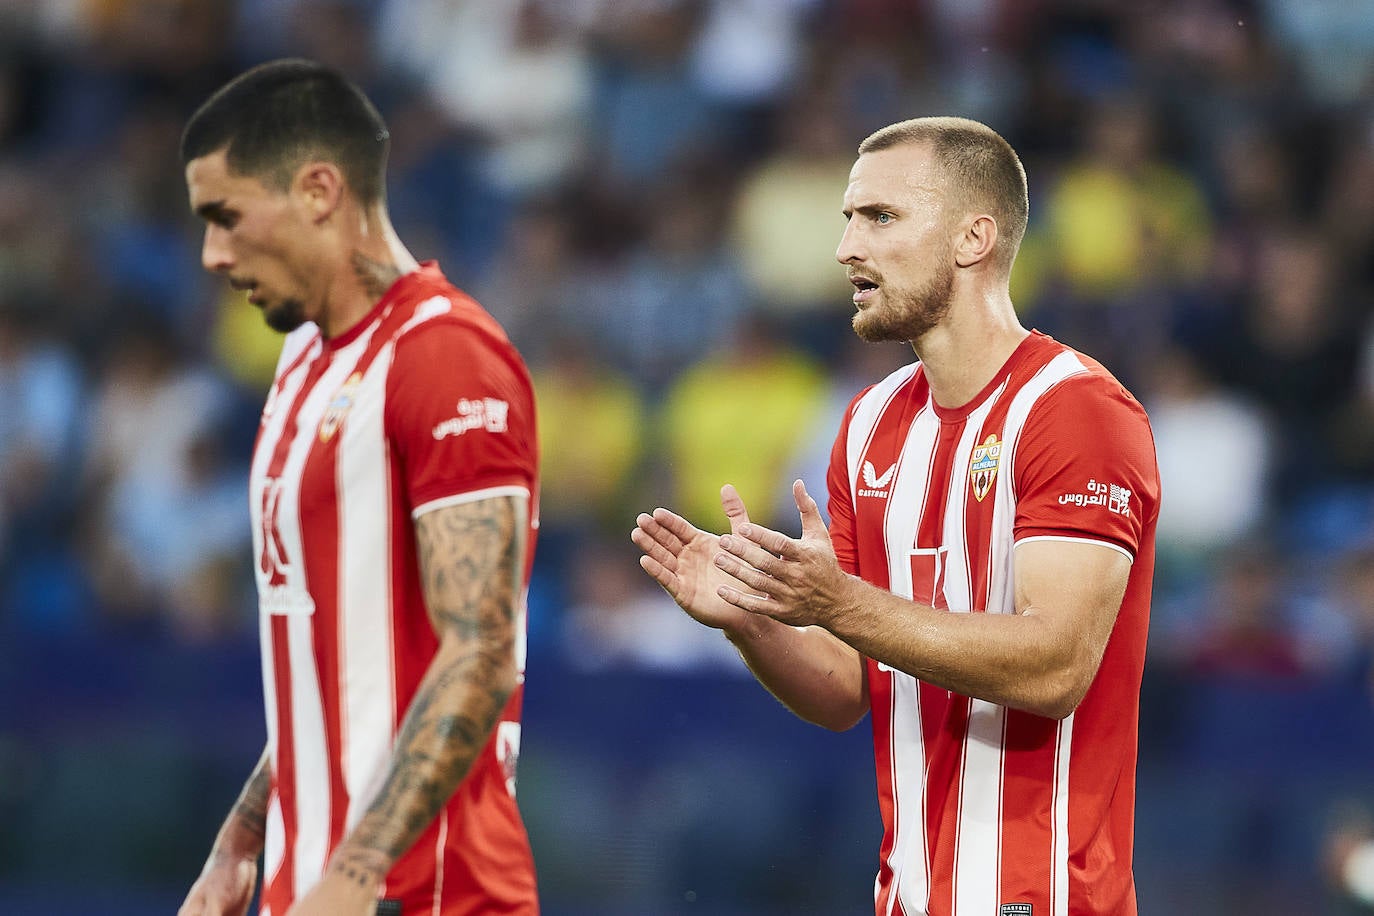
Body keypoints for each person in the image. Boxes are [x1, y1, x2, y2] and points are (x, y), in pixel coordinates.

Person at [632, 116, 1160, 915]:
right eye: (848, 218)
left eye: (879, 218)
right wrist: (754, 621)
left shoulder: (1076, 411)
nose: (847, 247)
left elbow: (1055, 669)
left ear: (972, 238)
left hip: (1044, 896)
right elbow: (847, 684)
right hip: (905, 895)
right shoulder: (871, 424)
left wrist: (835, 602)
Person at [176, 60, 540, 916]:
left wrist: (356, 873)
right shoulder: (303, 359)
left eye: (225, 217)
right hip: (307, 882)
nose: (211, 253)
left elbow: (482, 648)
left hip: (429, 894)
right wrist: (240, 843)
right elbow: (338, 668)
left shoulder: (446, 358)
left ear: (317, 190)